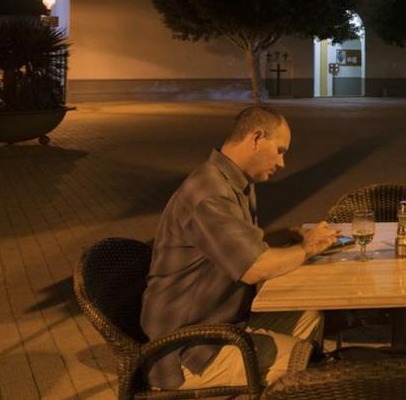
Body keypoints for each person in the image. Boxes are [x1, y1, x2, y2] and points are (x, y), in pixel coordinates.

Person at [141, 106, 339, 391]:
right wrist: (307, 249)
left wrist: (287, 235)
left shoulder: (232, 181)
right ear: (256, 138)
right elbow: (253, 267)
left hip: (221, 324)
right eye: (280, 150)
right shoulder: (208, 194)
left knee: (308, 315)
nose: (282, 163)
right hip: (187, 350)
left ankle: (275, 388)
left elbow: (240, 246)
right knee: (309, 364)